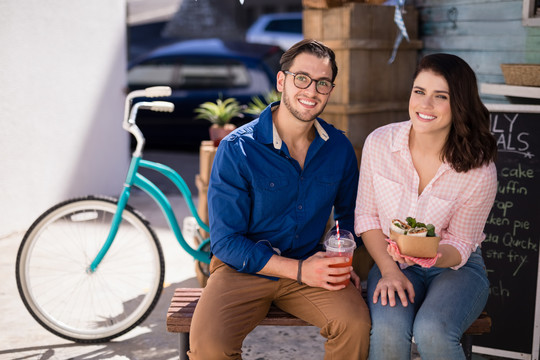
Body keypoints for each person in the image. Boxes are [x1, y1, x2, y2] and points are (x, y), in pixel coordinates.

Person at [187, 39, 371, 359]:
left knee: (354, 325)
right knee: (208, 347)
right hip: (241, 269)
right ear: (282, 80)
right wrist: (299, 270)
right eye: (302, 78)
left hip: (310, 264)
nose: (311, 91)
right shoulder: (237, 149)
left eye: (323, 83)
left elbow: (350, 216)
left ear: (330, 89)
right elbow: (226, 242)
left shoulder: (339, 148)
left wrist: (337, 253)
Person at [354, 53, 498, 360]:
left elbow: (460, 243)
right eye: (419, 92)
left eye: (440, 96)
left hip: (455, 267)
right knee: (389, 332)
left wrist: (429, 254)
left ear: (459, 104)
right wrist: (390, 270)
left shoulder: (479, 171)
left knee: (433, 330)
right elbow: (366, 216)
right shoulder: (379, 143)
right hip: (390, 260)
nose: (425, 105)